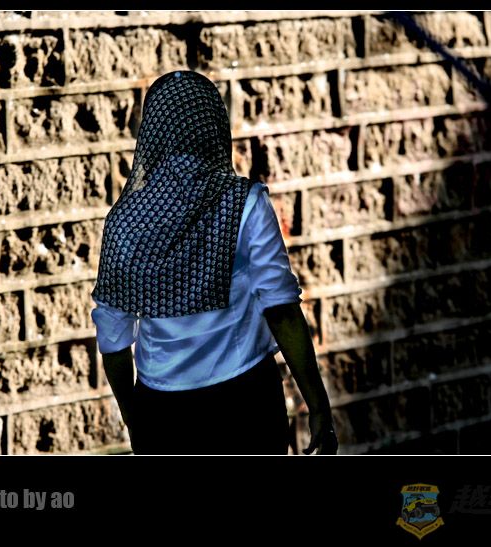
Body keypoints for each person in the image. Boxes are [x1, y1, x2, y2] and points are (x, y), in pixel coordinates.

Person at [90, 70, 337, 455]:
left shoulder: (125, 221)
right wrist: (318, 406)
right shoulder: (245, 203)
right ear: (216, 127)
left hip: (163, 413)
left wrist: (136, 420)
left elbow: (113, 339)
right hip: (245, 403)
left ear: (150, 133)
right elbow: (282, 310)